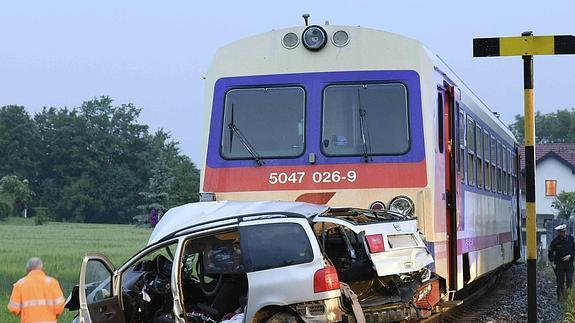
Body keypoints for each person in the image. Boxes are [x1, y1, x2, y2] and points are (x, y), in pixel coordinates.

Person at [7, 257, 65, 323]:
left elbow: (13, 308)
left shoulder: (20, 284)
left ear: (27, 269)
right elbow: (60, 306)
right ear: (41, 268)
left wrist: (24, 314)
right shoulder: (52, 282)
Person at [548, 224, 575, 300]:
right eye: (560, 232)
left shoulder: (571, 239)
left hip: (569, 263)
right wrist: (552, 262)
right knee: (560, 281)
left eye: (563, 231)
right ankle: (560, 298)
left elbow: (574, 250)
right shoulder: (555, 241)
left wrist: (570, 255)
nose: (562, 233)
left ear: (565, 231)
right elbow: (550, 252)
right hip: (560, 264)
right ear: (558, 232)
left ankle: (569, 298)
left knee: (569, 281)